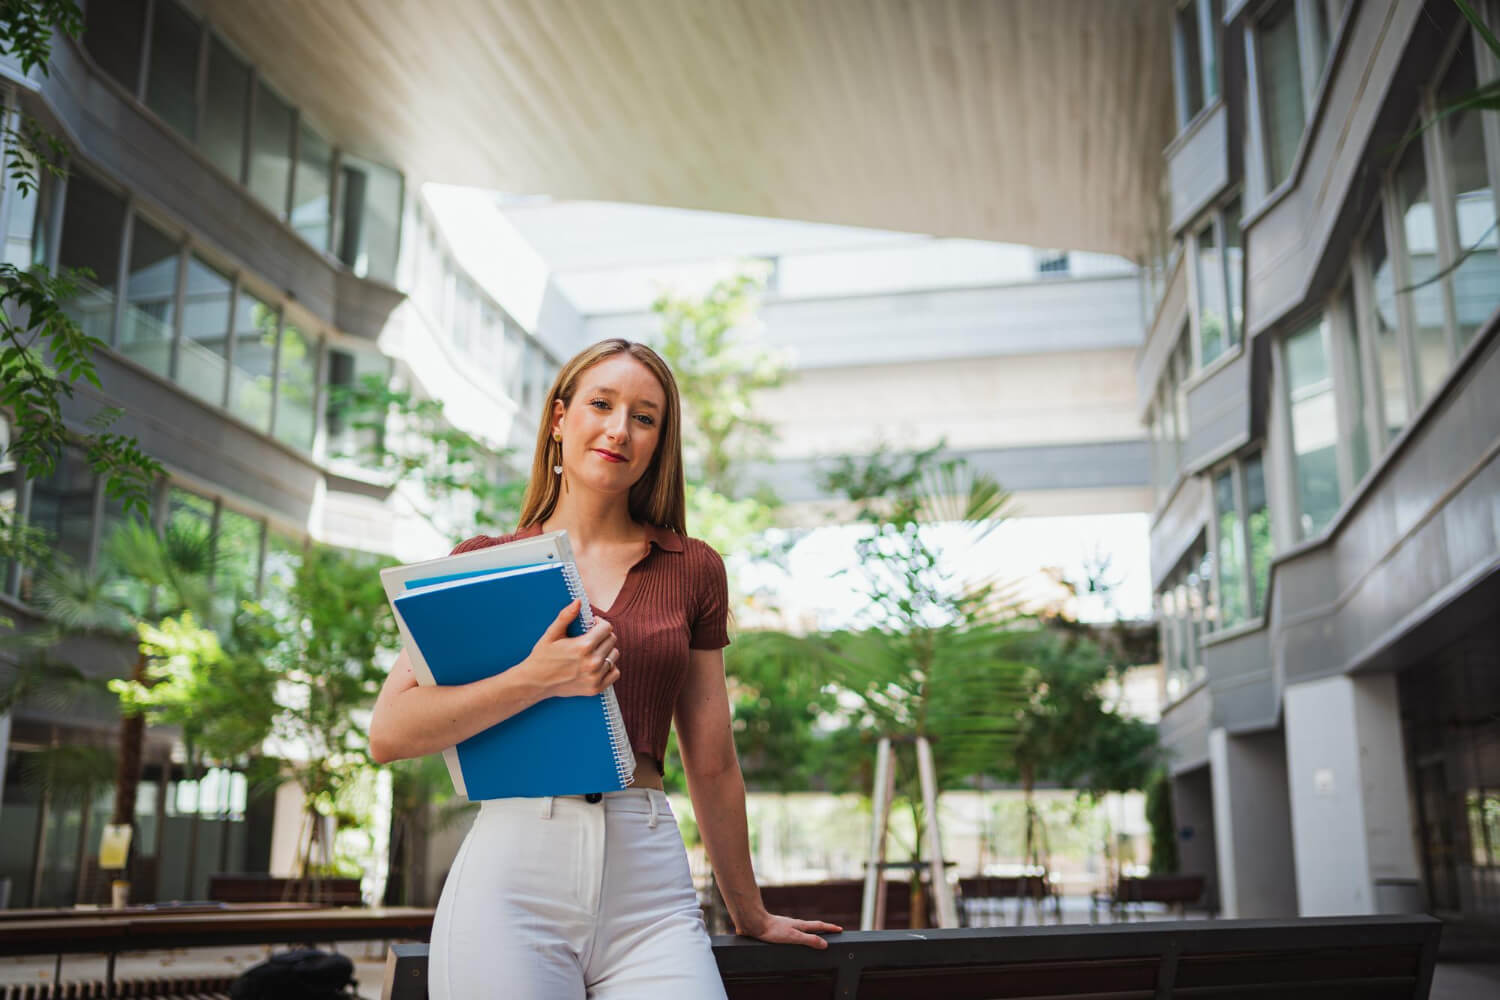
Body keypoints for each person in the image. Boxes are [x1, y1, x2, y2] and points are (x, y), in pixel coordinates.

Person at [369, 338, 840, 998]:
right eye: (602, 404)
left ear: (657, 444)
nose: (620, 428)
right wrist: (538, 676)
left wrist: (749, 910)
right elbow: (389, 733)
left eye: (644, 417)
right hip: (512, 879)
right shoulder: (481, 562)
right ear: (561, 420)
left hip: (648, 883)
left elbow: (711, 760)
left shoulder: (693, 568)